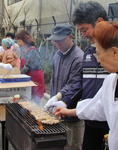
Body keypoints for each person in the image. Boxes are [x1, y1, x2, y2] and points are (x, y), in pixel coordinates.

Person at [46, 1, 109, 150]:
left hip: (110, 121)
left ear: (99, 22)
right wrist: (64, 101)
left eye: (85, 29)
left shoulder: (113, 52)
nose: (83, 35)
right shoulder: (88, 52)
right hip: (90, 120)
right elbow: (80, 83)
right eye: (80, 31)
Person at [54, 20, 118, 150]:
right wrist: (68, 110)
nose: (98, 61)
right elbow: (98, 106)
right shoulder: (111, 80)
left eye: (99, 54)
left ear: (115, 53)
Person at [45, 24, 84, 150]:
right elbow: (54, 80)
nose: (58, 44)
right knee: (58, 144)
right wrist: (53, 98)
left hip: (72, 113)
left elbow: (74, 84)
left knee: (72, 146)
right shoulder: (57, 55)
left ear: (71, 37)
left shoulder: (78, 57)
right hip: (58, 111)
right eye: (55, 41)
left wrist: (57, 97)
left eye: (61, 40)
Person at [15, 29, 44, 103]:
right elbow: (21, 66)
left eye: (19, 41)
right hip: (28, 80)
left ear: (24, 39)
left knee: (34, 103)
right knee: (27, 102)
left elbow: (26, 68)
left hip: (35, 81)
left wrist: (16, 75)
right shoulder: (24, 50)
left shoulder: (32, 51)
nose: (18, 43)